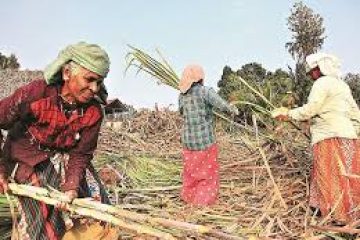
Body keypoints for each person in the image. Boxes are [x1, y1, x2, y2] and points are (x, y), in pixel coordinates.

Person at [0, 41, 111, 239]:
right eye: (89, 79)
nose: (95, 88)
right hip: (27, 159)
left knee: (96, 206)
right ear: (67, 73)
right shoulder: (35, 94)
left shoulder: (93, 111)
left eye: (100, 82)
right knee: (42, 215)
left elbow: (81, 154)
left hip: (66, 161)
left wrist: (71, 187)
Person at [271, 53, 360, 224]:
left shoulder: (321, 83)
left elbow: (310, 109)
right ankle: (352, 212)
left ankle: (337, 216)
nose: (310, 75)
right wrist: (353, 133)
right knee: (346, 176)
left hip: (328, 137)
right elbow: (356, 114)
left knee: (329, 176)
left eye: (311, 71)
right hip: (348, 137)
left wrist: (288, 113)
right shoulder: (342, 86)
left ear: (319, 69)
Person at [178, 64, 238, 206]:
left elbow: (181, 113)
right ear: (200, 78)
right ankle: (202, 201)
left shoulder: (181, 96)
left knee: (191, 172)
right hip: (205, 141)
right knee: (207, 173)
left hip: (188, 142)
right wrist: (233, 110)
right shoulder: (205, 92)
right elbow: (221, 105)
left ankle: (190, 197)